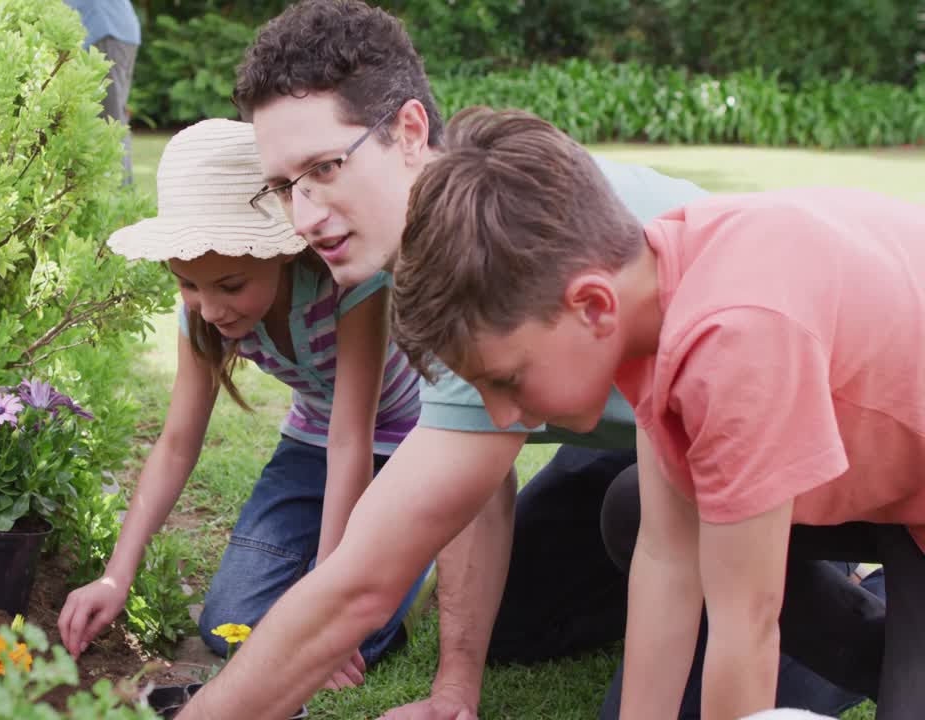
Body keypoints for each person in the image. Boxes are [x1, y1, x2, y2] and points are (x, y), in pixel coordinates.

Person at [176, 2, 873, 718]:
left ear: (410, 131)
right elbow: (470, 472)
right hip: (644, 449)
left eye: (325, 167)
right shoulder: (409, 265)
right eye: (288, 186)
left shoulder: (511, 244)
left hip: (786, 437)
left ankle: (864, 607)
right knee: (518, 620)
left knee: (713, 659)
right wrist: (456, 688)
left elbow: (361, 585)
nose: (306, 216)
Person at [389, 106, 925, 718]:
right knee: (633, 507)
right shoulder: (651, 290)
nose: (504, 415)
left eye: (507, 380)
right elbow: (669, 559)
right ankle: (887, 656)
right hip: (882, 469)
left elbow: (744, 624)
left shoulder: (735, 339)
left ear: (591, 305)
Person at [55, 119, 431, 681]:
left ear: (280, 251)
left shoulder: (350, 286)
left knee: (351, 639)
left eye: (230, 286)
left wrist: (324, 608)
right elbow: (178, 443)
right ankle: (350, 565)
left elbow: (353, 439)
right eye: (188, 283)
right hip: (311, 442)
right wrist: (116, 575)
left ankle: (415, 559)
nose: (210, 308)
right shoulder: (204, 314)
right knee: (229, 624)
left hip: (402, 448)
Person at [67, 0, 140, 182]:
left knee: (109, 126)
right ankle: (121, 198)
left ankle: (121, 201)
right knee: (110, 123)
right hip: (110, 30)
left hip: (104, 30)